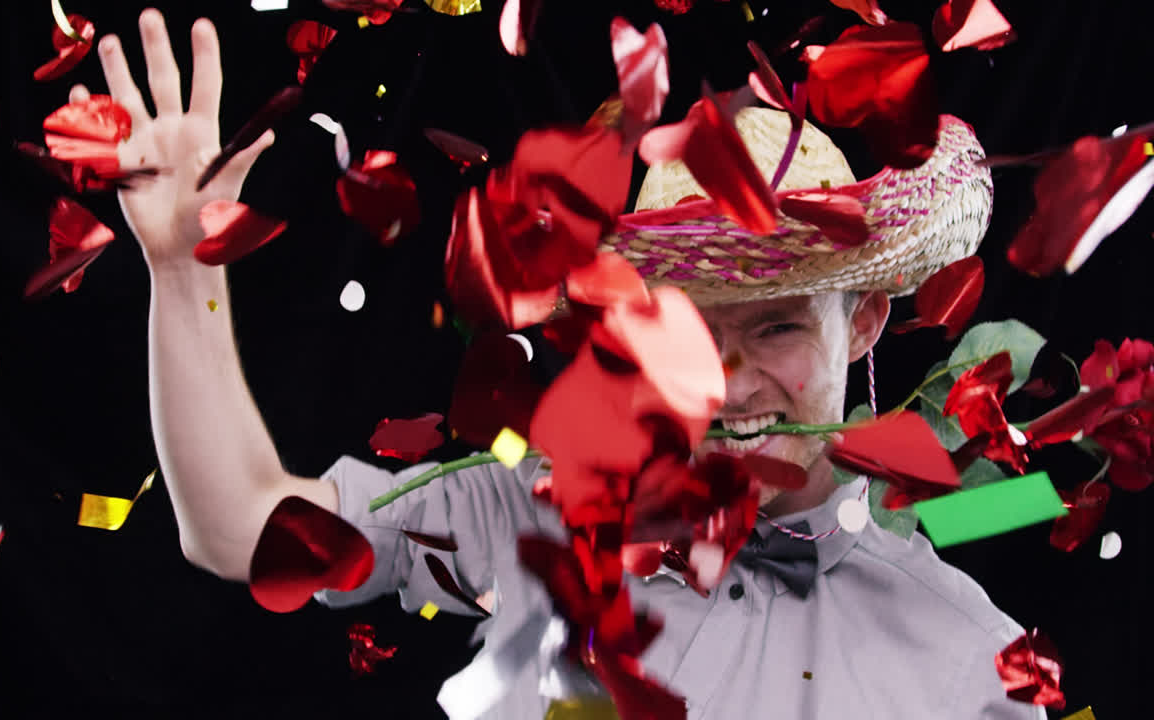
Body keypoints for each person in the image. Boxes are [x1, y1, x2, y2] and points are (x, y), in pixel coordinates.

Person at [81, 9, 1046, 719]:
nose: (727, 383)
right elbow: (240, 531)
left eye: (779, 328)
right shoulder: (526, 514)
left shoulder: (970, 664)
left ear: (866, 321)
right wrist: (177, 270)